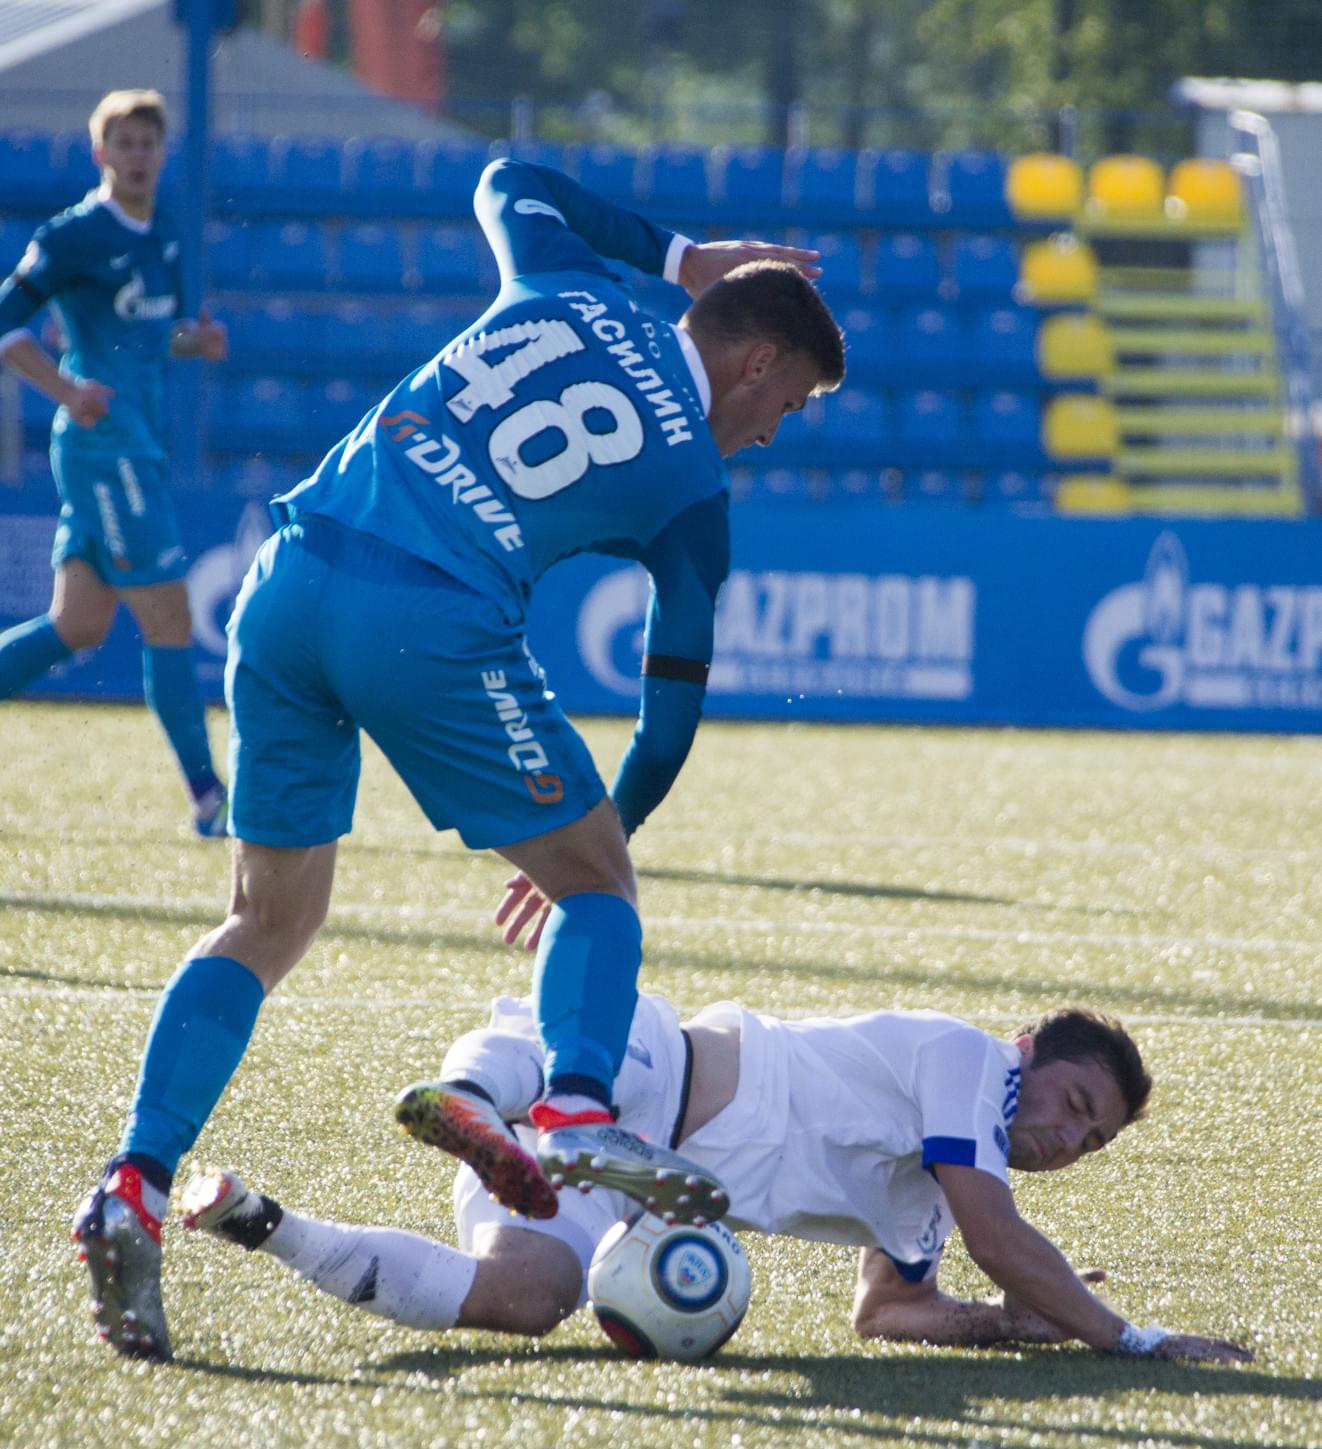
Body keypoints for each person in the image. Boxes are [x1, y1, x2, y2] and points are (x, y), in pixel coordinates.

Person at [73, 153, 845, 1360]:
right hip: (425, 615)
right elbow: (670, 712)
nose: (767, 432)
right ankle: (578, 1105)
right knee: (595, 887)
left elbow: (508, 177)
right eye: (785, 404)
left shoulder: (568, 288)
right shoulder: (693, 488)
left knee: (264, 925)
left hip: (290, 578)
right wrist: (599, 844)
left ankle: (133, 1183)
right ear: (755, 360)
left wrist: (681, 254)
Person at [174, 992, 1253, 1366]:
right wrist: (1123, 1335)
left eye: (1093, 1139)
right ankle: (469, 1098)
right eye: (1073, 1102)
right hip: (655, 1069)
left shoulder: (925, 1188)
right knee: (562, 1060)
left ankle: (266, 1223)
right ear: (1027, 1048)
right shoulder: (969, 1064)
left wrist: (1006, 1324)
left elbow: (887, 1312)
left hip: (626, 1187)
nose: (1070, 1137)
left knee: (523, 1300)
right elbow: (999, 1234)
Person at [0, 89, 229, 836]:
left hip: (136, 442)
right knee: (171, 617)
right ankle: (209, 796)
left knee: (78, 622)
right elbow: (9, 326)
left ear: (163, 154)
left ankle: (207, 794)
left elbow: (142, 338)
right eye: (123, 144)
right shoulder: (75, 236)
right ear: (100, 154)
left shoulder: (162, 230)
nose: (137, 156)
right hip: (108, 448)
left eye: (148, 144)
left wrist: (193, 343)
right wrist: (65, 389)